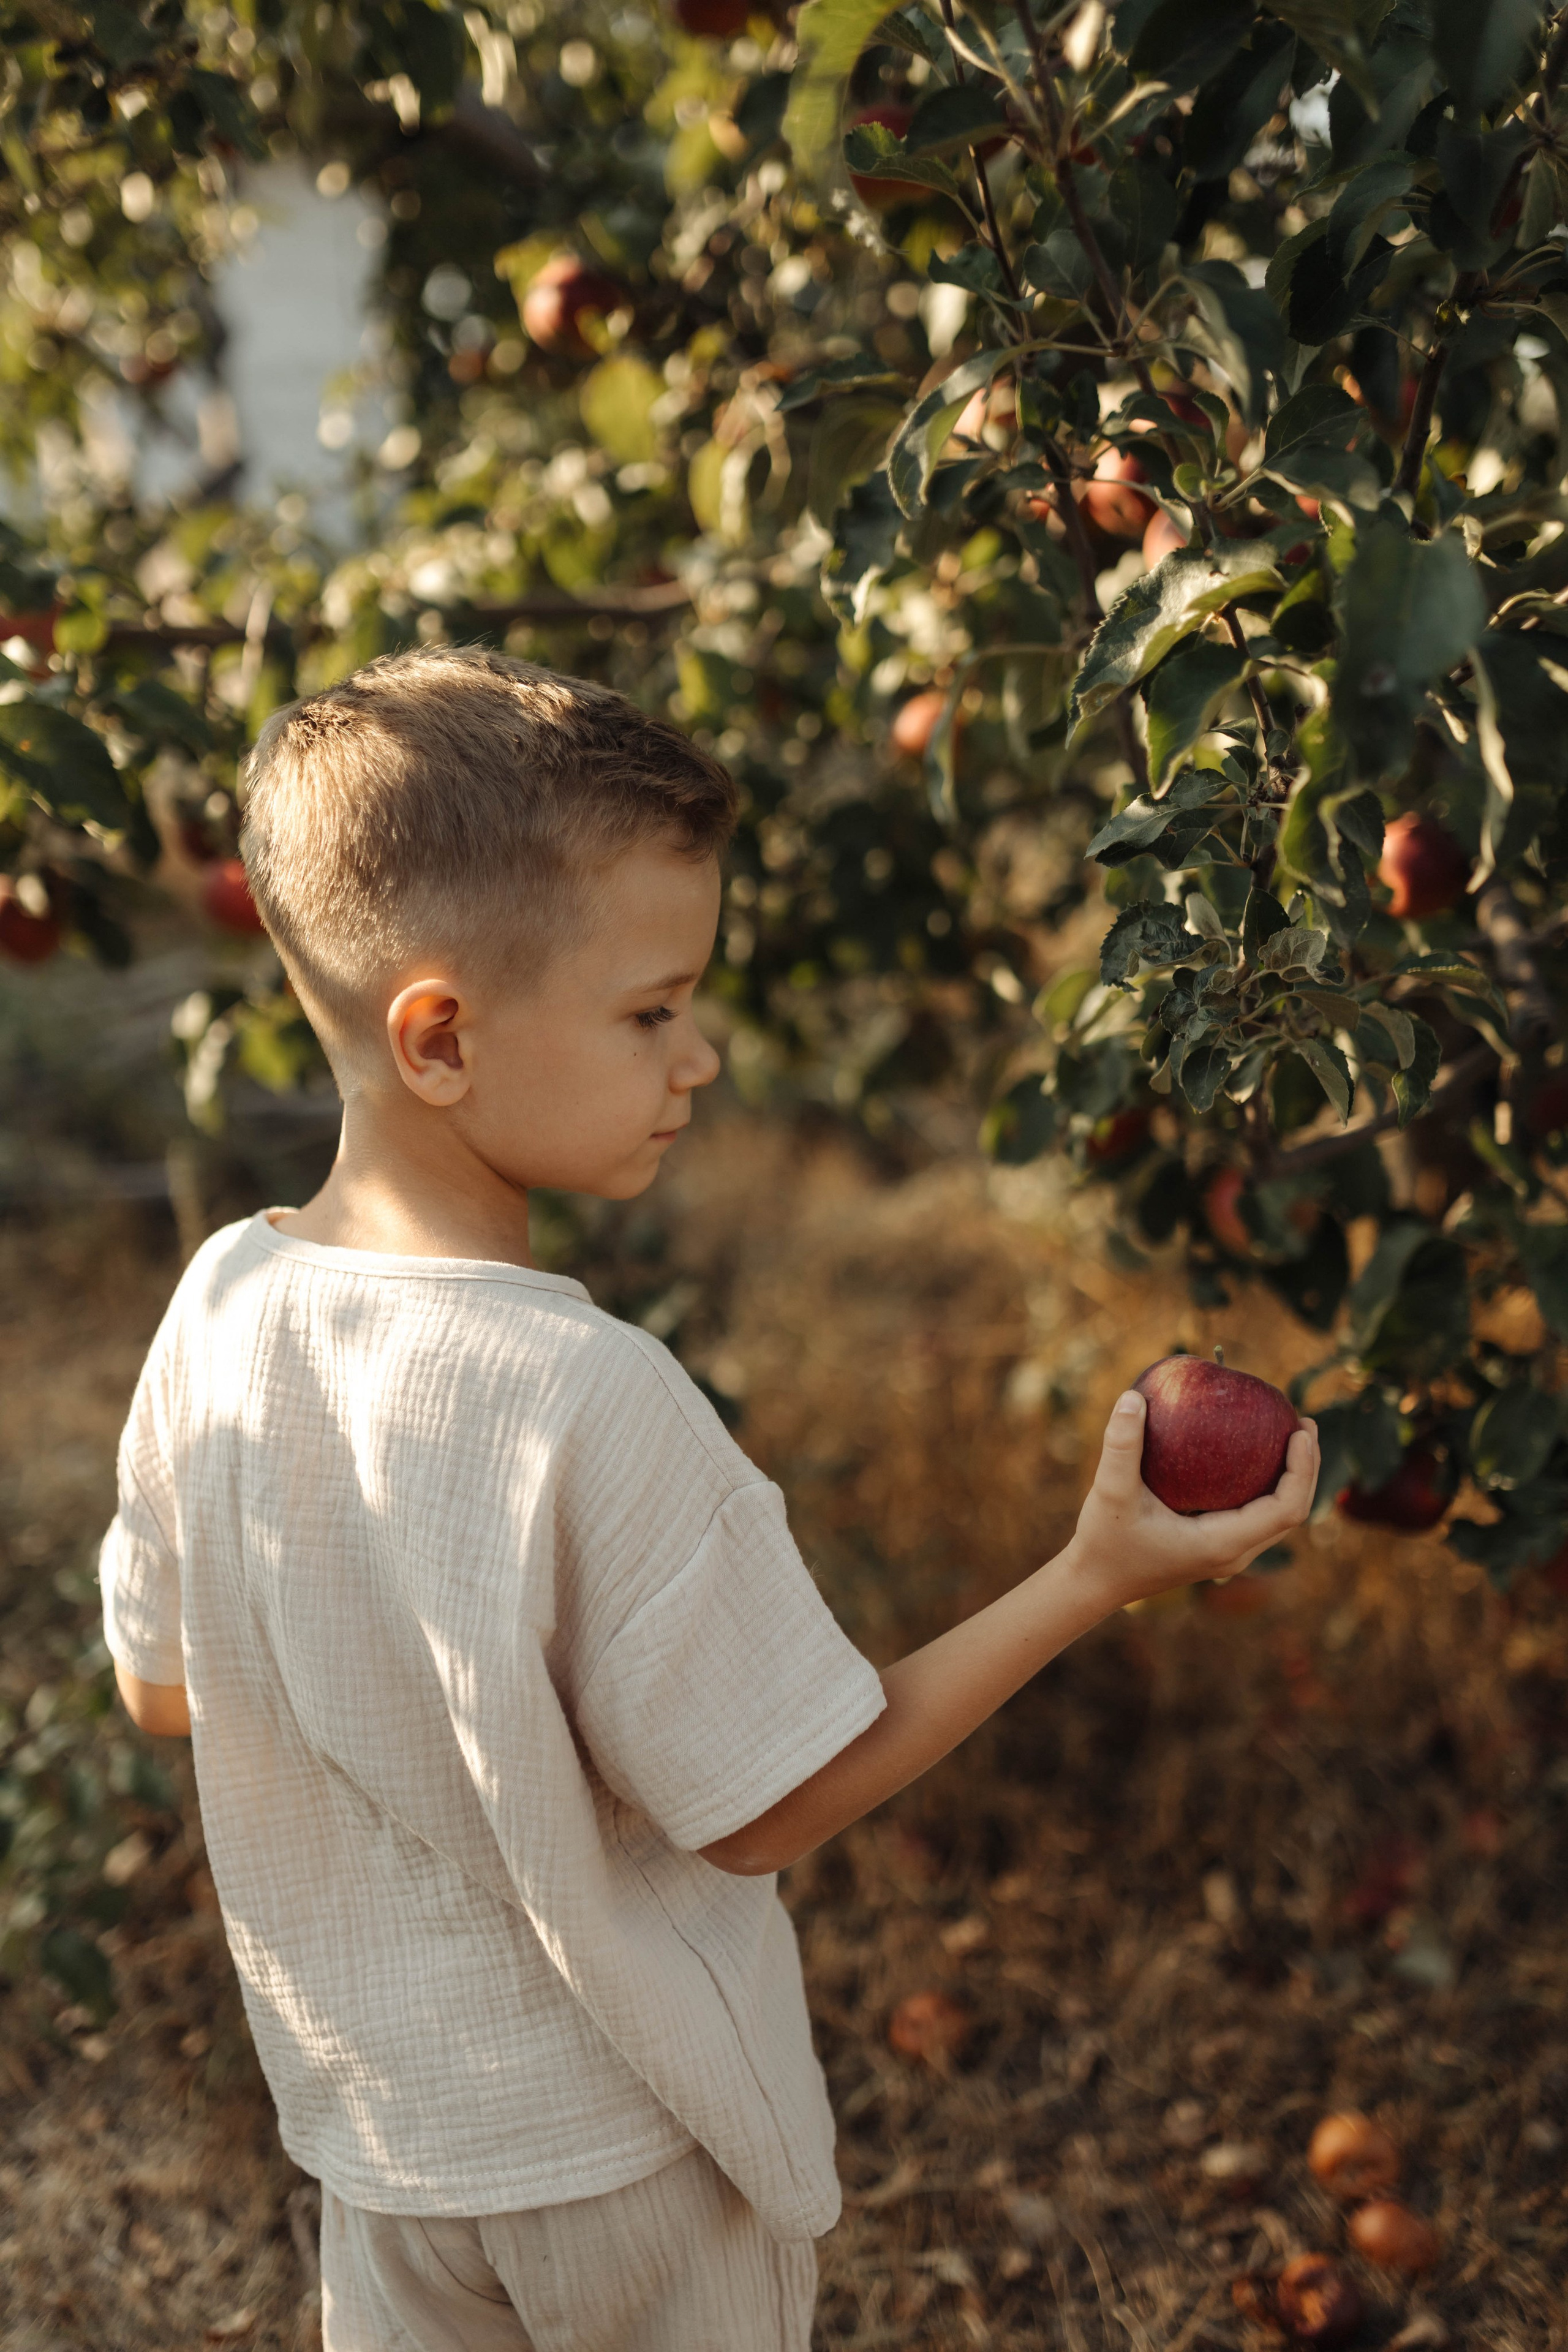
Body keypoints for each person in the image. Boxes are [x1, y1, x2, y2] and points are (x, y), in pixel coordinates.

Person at [100, 647, 1319, 2352]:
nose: (707, 1059)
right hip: (624, 2158)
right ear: (440, 1036)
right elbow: (766, 1803)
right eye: (652, 1010)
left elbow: (165, 1686)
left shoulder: (221, 1302)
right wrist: (1092, 1573)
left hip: (382, 2153)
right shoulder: (587, 1394)